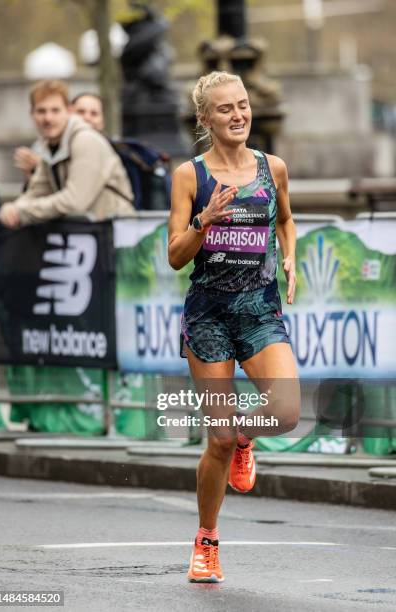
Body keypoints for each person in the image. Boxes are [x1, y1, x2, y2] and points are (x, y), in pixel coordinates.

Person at [168, 71, 300, 583]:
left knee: (285, 412)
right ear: (205, 119)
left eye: (243, 105)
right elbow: (176, 256)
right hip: (209, 316)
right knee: (216, 439)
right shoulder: (189, 175)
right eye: (225, 109)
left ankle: (249, 436)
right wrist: (204, 221)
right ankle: (206, 541)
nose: (239, 115)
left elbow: (285, 219)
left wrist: (291, 257)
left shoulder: (273, 167)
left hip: (259, 309)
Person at [0, 80, 134, 228]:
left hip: (120, 237)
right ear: (31, 114)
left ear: (69, 112)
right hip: (90, 235)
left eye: (55, 110)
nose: (48, 118)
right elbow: (38, 191)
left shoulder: (86, 140)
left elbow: (75, 201)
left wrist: (22, 211)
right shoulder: (48, 146)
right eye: (41, 111)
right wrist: (12, 208)